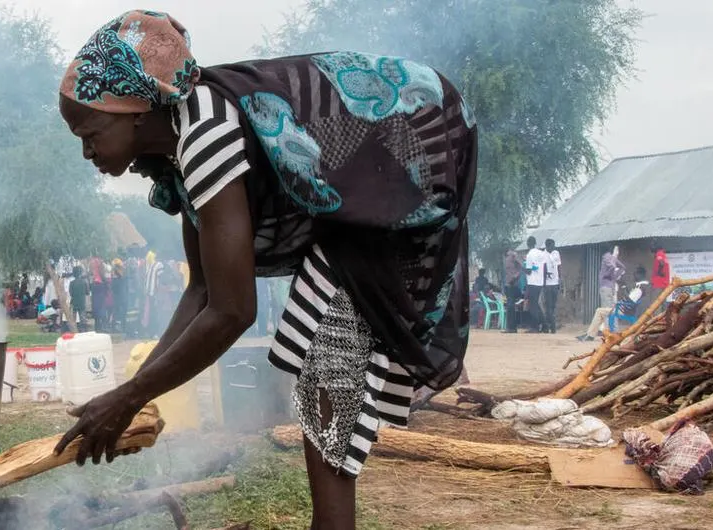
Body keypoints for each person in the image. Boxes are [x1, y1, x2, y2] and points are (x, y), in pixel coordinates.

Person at [52, 11, 477, 529]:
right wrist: (136, 391)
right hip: (360, 215)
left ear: (135, 110)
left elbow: (233, 312)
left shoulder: (206, 133)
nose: (85, 150)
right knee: (322, 368)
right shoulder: (181, 152)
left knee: (327, 370)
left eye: (90, 131)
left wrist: (128, 397)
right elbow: (204, 290)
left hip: (402, 182)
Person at [523, 237, 548, 333]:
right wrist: (544, 281)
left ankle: (535, 327)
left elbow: (529, 271)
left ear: (528, 244)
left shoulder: (529, 255)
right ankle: (545, 325)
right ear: (535, 243)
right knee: (536, 305)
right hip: (540, 282)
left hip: (532, 282)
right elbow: (544, 268)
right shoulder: (541, 253)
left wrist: (522, 268)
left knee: (532, 305)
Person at [542, 239, 562, 334]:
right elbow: (544, 268)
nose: (553, 247)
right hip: (547, 284)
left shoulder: (556, 253)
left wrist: (559, 280)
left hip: (555, 283)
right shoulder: (543, 255)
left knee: (553, 306)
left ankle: (548, 325)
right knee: (548, 306)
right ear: (547, 246)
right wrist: (544, 283)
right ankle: (551, 326)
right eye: (552, 246)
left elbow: (558, 267)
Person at [502, 248, 523, 334]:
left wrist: (515, 277)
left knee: (510, 306)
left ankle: (511, 328)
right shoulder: (505, 257)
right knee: (509, 306)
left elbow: (521, 266)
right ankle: (511, 327)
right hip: (507, 285)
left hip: (513, 284)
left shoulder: (513, 255)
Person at [68, 266, 89, 330]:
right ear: (81, 273)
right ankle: (83, 330)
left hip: (74, 302)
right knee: (83, 318)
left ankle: (73, 330)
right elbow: (87, 292)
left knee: (73, 318)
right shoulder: (84, 282)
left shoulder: (71, 283)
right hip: (82, 302)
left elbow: (71, 293)